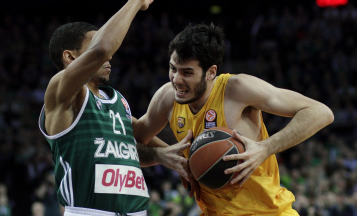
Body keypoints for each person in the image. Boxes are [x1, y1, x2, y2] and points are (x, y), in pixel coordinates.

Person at [134, 23, 334, 215]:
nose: (176, 79)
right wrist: (162, 156)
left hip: (267, 213)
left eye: (187, 73)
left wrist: (266, 147)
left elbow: (320, 112)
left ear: (211, 72)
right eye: (173, 68)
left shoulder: (237, 89)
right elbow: (128, 141)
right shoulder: (167, 98)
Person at [38, 0, 192, 216]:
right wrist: (136, 0)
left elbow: (132, 145)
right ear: (70, 57)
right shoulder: (61, 91)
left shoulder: (116, 99)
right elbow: (103, 50)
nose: (111, 57)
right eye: (95, 41)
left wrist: (167, 156)